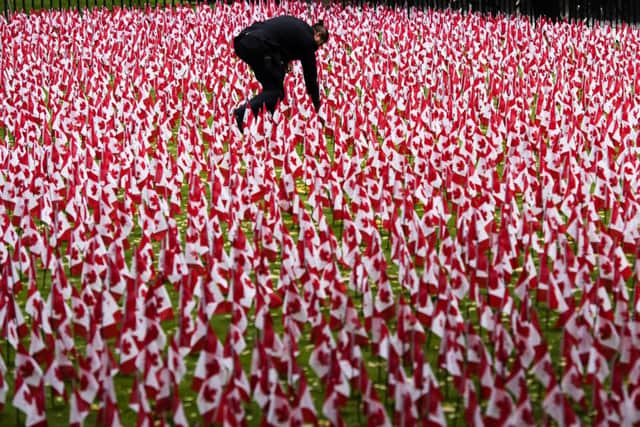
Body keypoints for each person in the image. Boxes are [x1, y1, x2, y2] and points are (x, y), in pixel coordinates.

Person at [232, 16, 329, 132]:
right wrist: (316, 104)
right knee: (276, 92)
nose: (317, 48)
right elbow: (310, 75)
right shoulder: (308, 40)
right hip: (258, 45)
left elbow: (279, 40)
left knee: (272, 87)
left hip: (244, 41)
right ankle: (242, 114)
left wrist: (285, 60)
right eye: (320, 44)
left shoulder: (300, 27)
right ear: (317, 35)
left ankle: (269, 125)